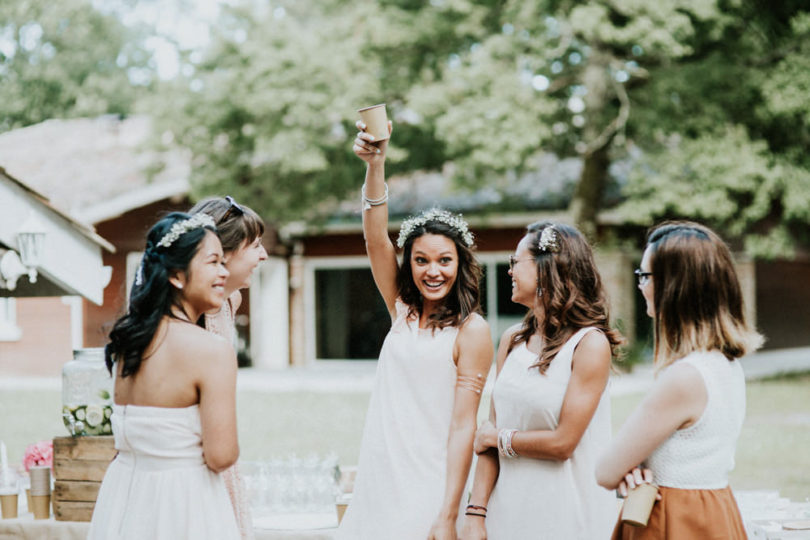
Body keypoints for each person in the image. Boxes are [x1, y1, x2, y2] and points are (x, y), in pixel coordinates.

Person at [336, 121, 494, 540]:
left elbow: (465, 427)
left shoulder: (471, 331)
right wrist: (376, 164)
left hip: (432, 484)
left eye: (444, 260)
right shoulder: (401, 310)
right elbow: (375, 239)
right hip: (380, 478)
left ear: (460, 264)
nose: (433, 271)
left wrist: (447, 514)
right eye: (421, 260)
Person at [596, 221, 763, 539]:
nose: (640, 285)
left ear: (676, 286)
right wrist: (635, 469)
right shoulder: (724, 364)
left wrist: (628, 468)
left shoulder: (684, 378)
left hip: (677, 518)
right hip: (715, 509)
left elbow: (605, 471)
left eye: (644, 276)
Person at [461, 221, 623, 540]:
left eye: (514, 262)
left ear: (546, 268)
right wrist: (475, 514)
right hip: (506, 514)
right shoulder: (511, 340)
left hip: (567, 516)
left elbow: (563, 443)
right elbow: (489, 434)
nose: (509, 271)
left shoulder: (589, 344)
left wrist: (500, 438)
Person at [88, 212, 241, 540]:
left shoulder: (128, 342)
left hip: (122, 500)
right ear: (175, 275)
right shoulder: (212, 351)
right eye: (213, 262)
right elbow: (221, 455)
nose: (223, 273)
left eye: (224, 263)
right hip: (181, 505)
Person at [189, 195, 267, 539]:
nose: (263, 256)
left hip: (223, 455)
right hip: (191, 461)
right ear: (223, 254)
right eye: (256, 246)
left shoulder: (230, 302)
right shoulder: (185, 315)